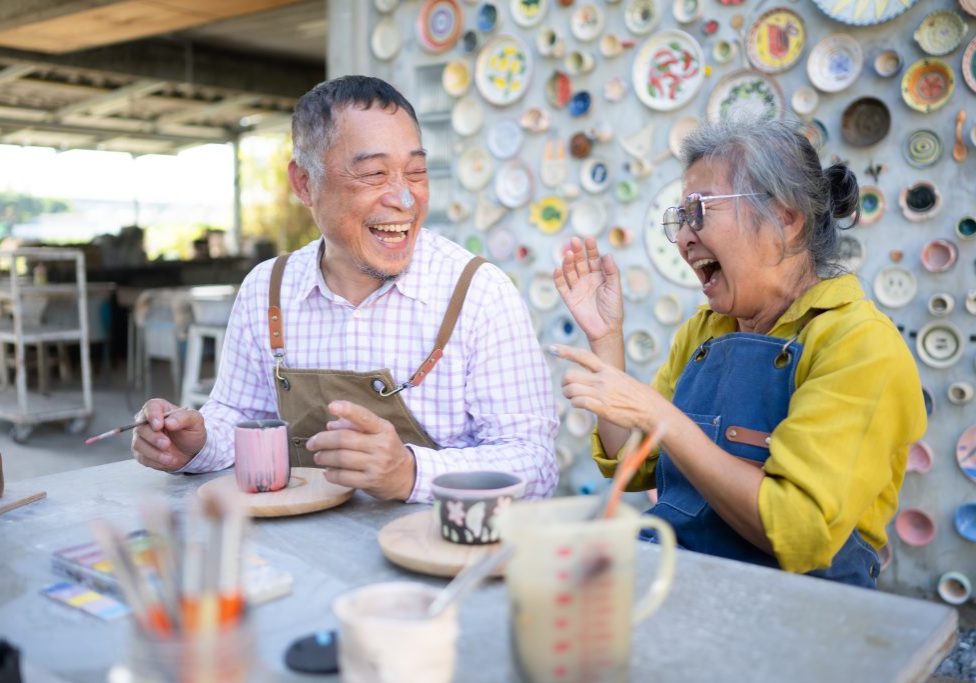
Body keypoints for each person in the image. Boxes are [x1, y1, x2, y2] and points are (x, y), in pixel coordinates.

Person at [131, 75, 558, 502]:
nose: (405, 200)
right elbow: (240, 417)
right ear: (304, 184)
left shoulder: (479, 293)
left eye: (416, 172)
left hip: (439, 558)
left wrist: (410, 473)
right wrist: (197, 444)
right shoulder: (267, 289)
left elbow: (534, 463)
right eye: (373, 174)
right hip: (302, 556)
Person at [551, 118, 925, 588]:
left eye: (700, 211)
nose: (684, 237)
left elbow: (797, 530)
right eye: (681, 217)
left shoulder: (860, 345)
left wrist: (662, 419)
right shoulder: (704, 332)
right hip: (686, 578)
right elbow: (634, 464)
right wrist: (607, 339)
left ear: (786, 219)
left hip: (802, 608)